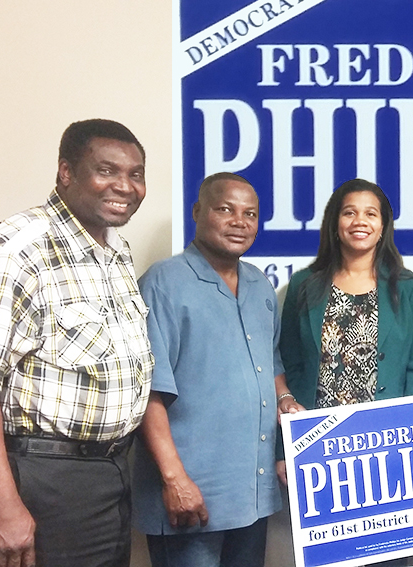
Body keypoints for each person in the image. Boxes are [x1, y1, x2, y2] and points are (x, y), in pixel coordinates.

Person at [0, 119, 152, 567]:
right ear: (66, 172)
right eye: (107, 170)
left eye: (136, 174)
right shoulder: (12, 249)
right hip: (40, 479)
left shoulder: (117, 252)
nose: (125, 185)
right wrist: (2, 506)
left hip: (109, 474)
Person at [131, 173, 283, 567]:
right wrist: (174, 479)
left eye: (250, 213)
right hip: (192, 496)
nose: (240, 221)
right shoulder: (163, 283)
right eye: (225, 209)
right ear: (198, 212)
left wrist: (286, 401)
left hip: (252, 494)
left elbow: (273, 364)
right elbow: (148, 392)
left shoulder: (260, 286)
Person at [277, 177, 413, 452]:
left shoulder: (409, 288)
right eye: (349, 212)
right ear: (335, 225)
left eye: (370, 214)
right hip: (314, 442)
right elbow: (290, 368)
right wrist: (283, 450)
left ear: (382, 226)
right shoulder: (303, 285)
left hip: (388, 441)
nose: (360, 221)